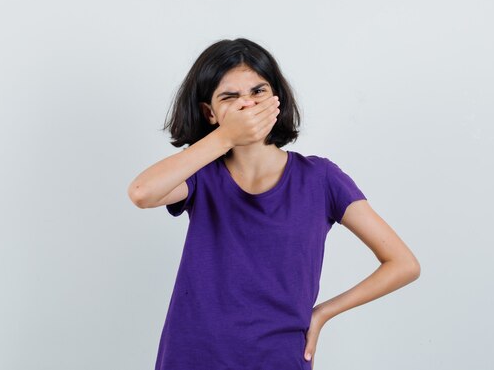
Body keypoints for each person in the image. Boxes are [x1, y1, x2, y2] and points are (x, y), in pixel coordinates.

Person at [127, 38, 420, 370]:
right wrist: (226, 136)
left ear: (276, 99)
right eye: (230, 97)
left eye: (258, 92)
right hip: (194, 354)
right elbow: (142, 193)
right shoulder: (200, 175)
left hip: (280, 357)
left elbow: (402, 263)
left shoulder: (320, 178)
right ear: (210, 112)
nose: (248, 106)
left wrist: (323, 313)